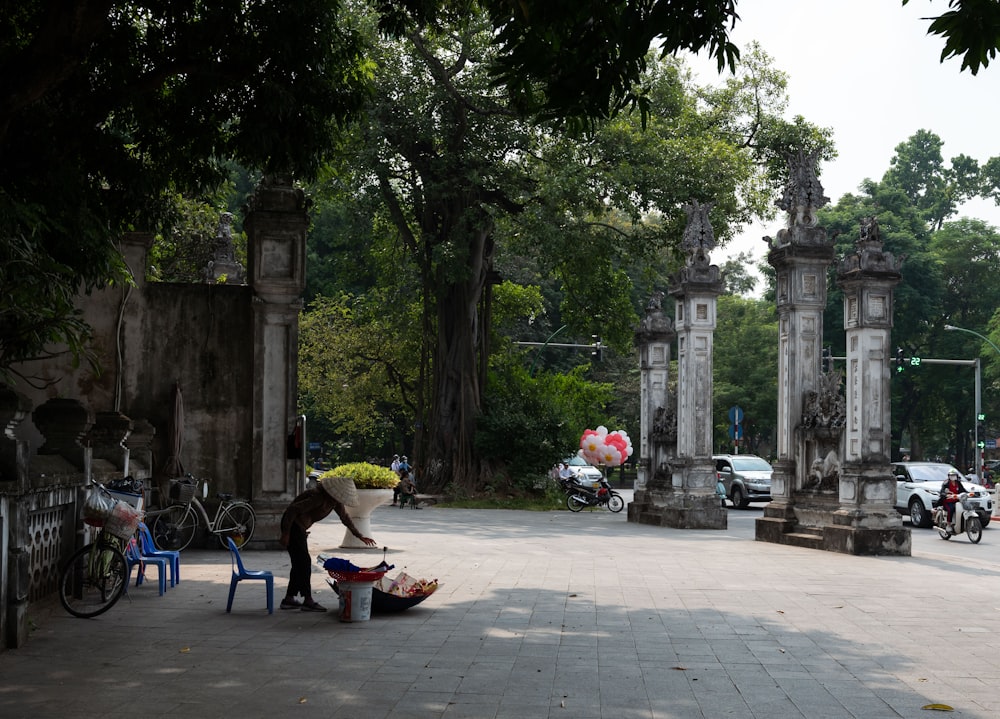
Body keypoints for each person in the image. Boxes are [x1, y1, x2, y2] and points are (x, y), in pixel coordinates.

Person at [279, 475, 377, 611]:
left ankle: (289, 598)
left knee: (298, 563)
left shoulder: (334, 502)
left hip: (301, 528)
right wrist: (286, 533)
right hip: (294, 526)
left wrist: (360, 536)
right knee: (304, 562)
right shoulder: (318, 497)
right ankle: (307, 599)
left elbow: (345, 518)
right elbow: (292, 510)